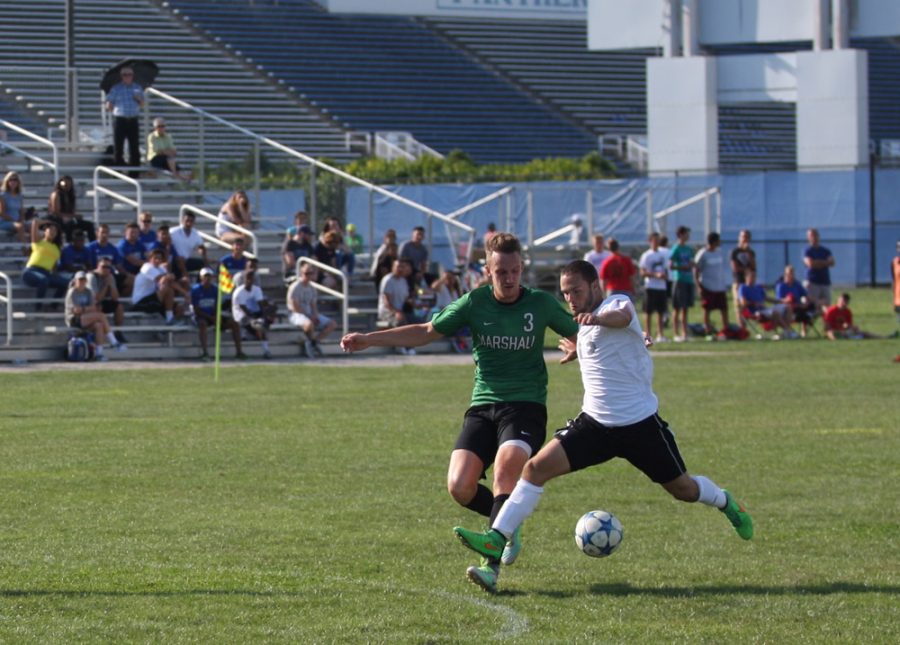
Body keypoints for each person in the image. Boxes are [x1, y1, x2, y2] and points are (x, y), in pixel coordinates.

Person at [452, 260, 753, 593]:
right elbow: (600, 347)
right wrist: (576, 347)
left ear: (595, 286)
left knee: (683, 490)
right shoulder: (581, 326)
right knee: (534, 469)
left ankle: (726, 502)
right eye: (565, 292)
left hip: (640, 426)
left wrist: (597, 320)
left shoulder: (616, 304)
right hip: (594, 425)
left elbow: (621, 319)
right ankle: (497, 538)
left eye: (576, 291)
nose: (570, 298)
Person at [340, 233, 579, 589]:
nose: (509, 278)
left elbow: (584, 333)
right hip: (483, 406)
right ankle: (507, 519)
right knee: (459, 487)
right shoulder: (474, 302)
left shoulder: (540, 304)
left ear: (522, 268)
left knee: (504, 470)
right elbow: (425, 331)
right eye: (501, 272)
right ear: (487, 270)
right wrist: (369, 338)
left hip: (526, 406)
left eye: (514, 271)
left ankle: (489, 567)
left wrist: (586, 342)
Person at [65, 271, 126, 359]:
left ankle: (99, 353)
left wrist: (84, 309)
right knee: (100, 315)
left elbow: (93, 307)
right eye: (80, 280)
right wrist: (87, 309)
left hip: (86, 317)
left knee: (99, 325)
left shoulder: (88, 291)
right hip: (73, 319)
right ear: (75, 281)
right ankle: (114, 342)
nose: (82, 282)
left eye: (84, 280)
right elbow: (75, 311)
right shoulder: (72, 292)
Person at [191, 267, 246, 361]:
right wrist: (211, 318)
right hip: (201, 316)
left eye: (210, 276)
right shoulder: (195, 290)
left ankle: (239, 352)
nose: (208, 278)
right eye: (206, 276)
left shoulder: (215, 289)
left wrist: (216, 316)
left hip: (213, 315)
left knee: (234, 323)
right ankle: (205, 353)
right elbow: (196, 310)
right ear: (201, 277)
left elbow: (217, 305)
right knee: (202, 324)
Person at [287, 264, 337, 358]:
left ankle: (313, 342)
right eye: (306, 273)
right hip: (295, 314)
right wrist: (310, 316)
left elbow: (313, 305)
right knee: (309, 324)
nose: (309, 275)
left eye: (311, 273)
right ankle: (311, 344)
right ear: (301, 274)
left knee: (332, 324)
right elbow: (294, 307)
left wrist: (315, 315)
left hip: (309, 313)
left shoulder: (312, 288)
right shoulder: (295, 287)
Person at [104, 66, 144, 171]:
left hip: (133, 119)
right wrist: (109, 106)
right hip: (120, 119)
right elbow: (109, 104)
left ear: (133, 76)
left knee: (134, 146)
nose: (127, 77)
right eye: (125, 75)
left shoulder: (137, 88)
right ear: (121, 76)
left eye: (129, 74)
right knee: (118, 145)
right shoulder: (116, 88)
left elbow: (143, 104)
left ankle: (134, 171)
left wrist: (138, 99)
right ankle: (118, 169)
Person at [22, 219, 69, 307]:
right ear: (45, 231)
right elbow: (35, 222)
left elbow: (54, 267)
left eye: (55, 230)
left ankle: (53, 306)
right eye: (50, 229)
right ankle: (38, 307)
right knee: (43, 280)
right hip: (31, 272)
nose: (52, 232)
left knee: (66, 283)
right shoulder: (38, 242)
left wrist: (56, 277)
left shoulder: (57, 249)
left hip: (46, 273)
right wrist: (49, 222)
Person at [738, 269, 796, 338]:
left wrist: (783, 301)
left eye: (754, 276)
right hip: (755, 312)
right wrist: (754, 303)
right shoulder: (743, 288)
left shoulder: (758, 287)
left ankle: (786, 332)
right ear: (746, 277)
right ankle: (783, 332)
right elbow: (743, 302)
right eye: (752, 276)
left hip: (764, 309)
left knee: (787, 308)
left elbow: (768, 299)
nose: (753, 278)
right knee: (775, 312)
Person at [693, 232, 730, 336]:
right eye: (718, 240)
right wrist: (698, 286)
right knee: (707, 309)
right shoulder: (703, 253)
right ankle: (707, 330)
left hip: (719, 286)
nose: (720, 242)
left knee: (724, 308)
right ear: (714, 241)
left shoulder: (719, 252)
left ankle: (726, 330)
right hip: (707, 286)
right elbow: (696, 269)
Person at [131, 248, 182, 324]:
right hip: (141, 302)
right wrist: (168, 276)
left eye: (160, 258)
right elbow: (162, 280)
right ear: (150, 259)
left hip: (154, 299)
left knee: (179, 309)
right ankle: (169, 319)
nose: (158, 260)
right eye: (155, 258)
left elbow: (170, 281)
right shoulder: (147, 267)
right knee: (168, 289)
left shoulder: (160, 268)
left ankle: (167, 328)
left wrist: (185, 294)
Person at [232, 269, 275, 359]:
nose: (249, 280)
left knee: (265, 317)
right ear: (244, 279)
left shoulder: (257, 289)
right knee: (258, 325)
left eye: (251, 278)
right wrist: (255, 320)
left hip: (253, 313)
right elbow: (243, 309)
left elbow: (261, 305)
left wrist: (263, 317)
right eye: (248, 278)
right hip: (241, 315)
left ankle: (266, 349)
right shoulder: (239, 292)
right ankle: (265, 349)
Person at [639, 232, 669, 343]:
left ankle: (660, 334)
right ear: (650, 241)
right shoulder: (647, 255)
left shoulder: (662, 254)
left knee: (660, 311)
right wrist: (655, 275)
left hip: (661, 287)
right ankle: (647, 335)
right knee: (648, 311)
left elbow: (665, 269)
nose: (656, 243)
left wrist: (664, 276)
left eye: (658, 240)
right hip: (650, 286)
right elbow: (642, 271)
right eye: (654, 240)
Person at [87, 257, 126, 342]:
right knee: (98, 306)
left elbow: (115, 298)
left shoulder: (110, 276)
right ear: (98, 266)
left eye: (108, 267)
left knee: (119, 306)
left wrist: (111, 285)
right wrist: (106, 285)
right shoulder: (92, 277)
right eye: (103, 267)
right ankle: (96, 333)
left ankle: (118, 332)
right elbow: (96, 298)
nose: (106, 269)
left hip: (101, 301)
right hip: (89, 304)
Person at [87, 223, 132, 296]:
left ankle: (121, 299)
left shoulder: (112, 248)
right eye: (102, 232)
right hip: (95, 275)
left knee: (131, 280)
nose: (104, 235)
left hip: (110, 275)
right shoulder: (90, 248)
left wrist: (127, 274)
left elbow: (118, 265)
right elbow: (88, 265)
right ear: (97, 233)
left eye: (106, 232)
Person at [47, 175, 95, 243]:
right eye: (65, 184)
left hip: (69, 219)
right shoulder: (56, 194)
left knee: (89, 225)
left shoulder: (71, 196)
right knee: (70, 224)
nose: (67, 186)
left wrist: (75, 217)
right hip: (57, 220)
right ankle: (69, 244)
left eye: (69, 184)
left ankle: (93, 245)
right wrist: (72, 217)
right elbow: (56, 213)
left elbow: (72, 211)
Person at [669, 226, 695, 342]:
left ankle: (685, 333)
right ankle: (676, 333)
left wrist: (692, 266)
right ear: (680, 235)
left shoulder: (689, 249)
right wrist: (681, 267)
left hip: (688, 280)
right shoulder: (676, 248)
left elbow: (691, 262)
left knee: (685, 308)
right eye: (686, 234)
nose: (688, 236)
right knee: (677, 307)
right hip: (679, 279)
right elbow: (670, 265)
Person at [774, 265, 816, 337]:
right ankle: (789, 331)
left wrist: (807, 302)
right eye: (789, 273)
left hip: (799, 308)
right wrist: (790, 301)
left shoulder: (797, 284)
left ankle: (805, 328)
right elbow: (780, 301)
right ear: (785, 274)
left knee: (812, 306)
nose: (791, 275)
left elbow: (805, 295)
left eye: (792, 273)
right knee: (794, 309)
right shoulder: (781, 286)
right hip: (787, 309)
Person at [146, 117, 192, 182]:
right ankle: (177, 176)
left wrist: (164, 151)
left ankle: (181, 178)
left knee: (172, 161)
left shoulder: (168, 136)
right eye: (159, 126)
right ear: (155, 128)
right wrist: (167, 151)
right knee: (170, 159)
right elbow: (157, 151)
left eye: (163, 126)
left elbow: (174, 151)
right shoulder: (151, 136)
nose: (161, 128)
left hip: (166, 159)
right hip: (154, 159)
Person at [803, 228, 835, 311]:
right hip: (813, 282)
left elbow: (832, 262)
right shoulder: (807, 250)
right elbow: (810, 264)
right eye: (811, 236)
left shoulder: (825, 251)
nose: (814, 237)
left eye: (815, 235)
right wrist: (824, 263)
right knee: (812, 306)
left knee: (827, 305)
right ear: (808, 238)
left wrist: (817, 262)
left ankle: (827, 323)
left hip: (825, 282)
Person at [730, 229, 756, 327]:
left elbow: (753, 267)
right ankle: (742, 327)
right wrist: (746, 270)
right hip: (738, 281)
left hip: (748, 283)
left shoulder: (751, 252)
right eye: (743, 236)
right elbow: (735, 268)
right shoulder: (735, 252)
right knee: (739, 305)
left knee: (747, 304)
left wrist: (748, 253)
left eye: (746, 237)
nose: (744, 239)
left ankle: (746, 325)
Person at [0, 171, 27, 245]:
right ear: (7, 181)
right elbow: (2, 213)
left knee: (33, 226)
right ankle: (25, 249)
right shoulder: (3, 195)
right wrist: (15, 220)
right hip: (5, 221)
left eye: (15, 180)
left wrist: (21, 219)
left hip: (17, 220)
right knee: (20, 227)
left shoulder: (20, 195)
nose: (13, 182)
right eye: (10, 180)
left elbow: (21, 211)